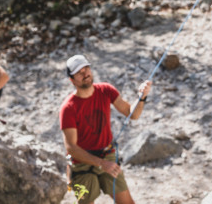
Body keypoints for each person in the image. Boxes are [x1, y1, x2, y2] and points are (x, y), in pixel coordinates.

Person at [60, 54, 153, 204]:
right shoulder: (68, 108)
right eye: (79, 72)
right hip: (81, 163)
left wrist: (142, 97)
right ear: (72, 80)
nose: (85, 74)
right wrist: (101, 164)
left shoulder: (105, 90)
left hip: (107, 155)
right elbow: (71, 148)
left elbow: (132, 114)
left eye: (87, 69)